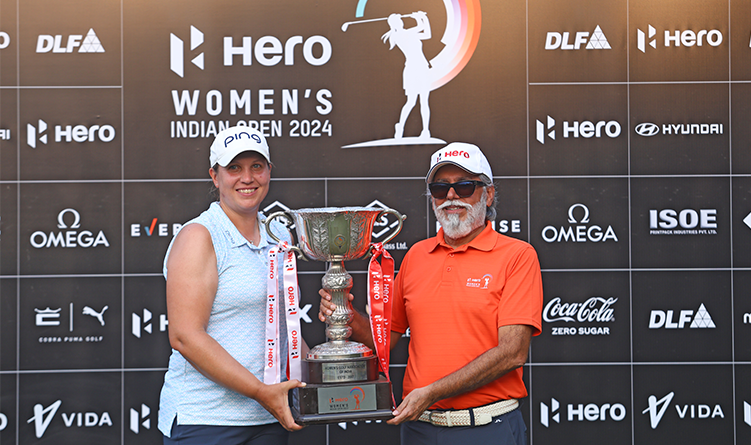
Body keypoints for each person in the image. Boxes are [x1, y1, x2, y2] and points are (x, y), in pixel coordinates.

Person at [320, 142, 543, 444]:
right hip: (419, 429)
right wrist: (344, 315)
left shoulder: (517, 255)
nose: (451, 196)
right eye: (440, 189)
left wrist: (432, 392)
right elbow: (385, 339)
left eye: (464, 186)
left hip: (485, 428)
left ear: (487, 194)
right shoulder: (416, 255)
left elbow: (513, 353)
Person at [159, 125, 305, 444]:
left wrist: (330, 369)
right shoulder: (199, 236)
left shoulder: (280, 235)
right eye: (234, 168)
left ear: (269, 171)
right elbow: (184, 336)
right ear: (215, 176)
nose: (247, 178)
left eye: (257, 166)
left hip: (269, 417)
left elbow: (284, 328)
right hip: (206, 420)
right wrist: (260, 392)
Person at [381, 11, 433, 139]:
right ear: (395, 24)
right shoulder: (399, 36)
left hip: (422, 68)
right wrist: (420, 17)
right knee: (411, 102)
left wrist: (423, 18)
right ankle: (400, 126)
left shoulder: (409, 34)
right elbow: (420, 28)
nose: (401, 22)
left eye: (401, 20)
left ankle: (425, 130)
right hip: (412, 70)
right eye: (399, 21)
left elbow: (427, 35)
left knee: (424, 101)